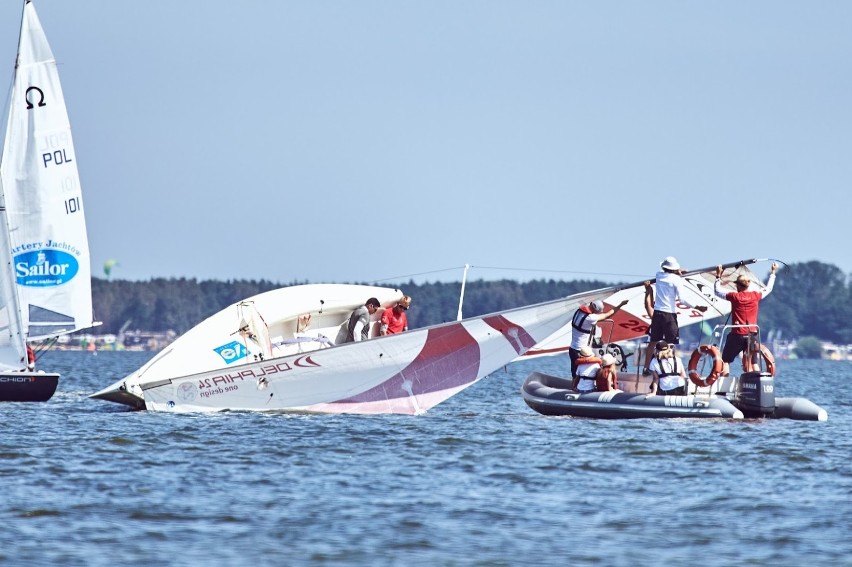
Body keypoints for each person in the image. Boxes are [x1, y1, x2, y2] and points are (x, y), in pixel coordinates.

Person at [643, 256, 708, 374]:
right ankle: (671, 368)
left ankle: (646, 368)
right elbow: (682, 300)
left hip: (657, 313)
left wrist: (677, 272)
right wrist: (697, 307)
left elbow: (667, 273)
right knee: (671, 343)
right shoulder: (677, 280)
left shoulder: (658, 275)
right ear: (675, 269)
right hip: (669, 315)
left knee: (653, 342)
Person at [714, 263, 778, 372]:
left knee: (725, 361)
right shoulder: (756, 295)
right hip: (753, 334)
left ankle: (723, 385)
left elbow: (717, 291)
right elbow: (769, 288)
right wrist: (773, 273)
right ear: (747, 285)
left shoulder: (734, 296)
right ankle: (757, 382)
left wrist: (718, 276)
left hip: (737, 335)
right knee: (753, 362)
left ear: (738, 285)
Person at [568, 298, 628, 378]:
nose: (597, 313)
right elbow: (607, 315)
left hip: (572, 349)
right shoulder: (590, 318)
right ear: (595, 308)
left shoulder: (578, 311)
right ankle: (583, 387)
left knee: (575, 374)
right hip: (581, 352)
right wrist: (620, 305)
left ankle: (575, 386)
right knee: (584, 374)